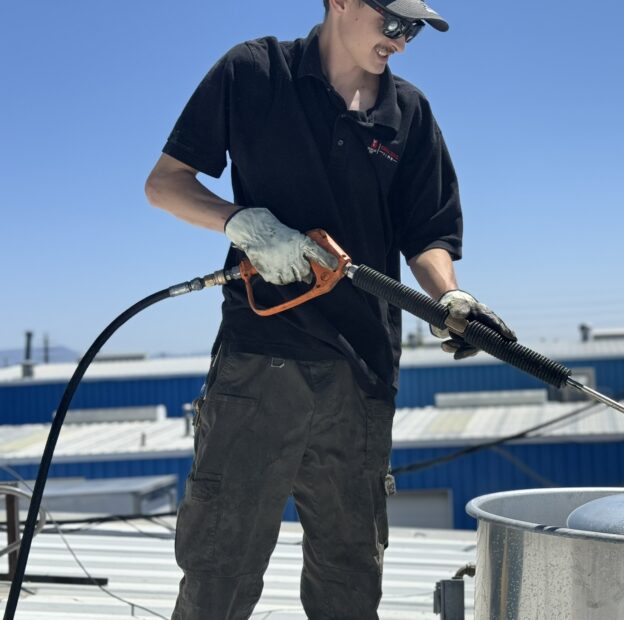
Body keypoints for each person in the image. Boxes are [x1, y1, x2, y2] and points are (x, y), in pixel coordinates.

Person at [144, 0, 515, 618]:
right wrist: (240, 222)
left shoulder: (410, 115)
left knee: (349, 581)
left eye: (414, 30)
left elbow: (427, 234)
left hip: (360, 375)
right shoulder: (253, 73)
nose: (402, 42)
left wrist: (447, 295)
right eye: (395, 24)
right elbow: (166, 183)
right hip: (259, 368)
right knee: (219, 571)